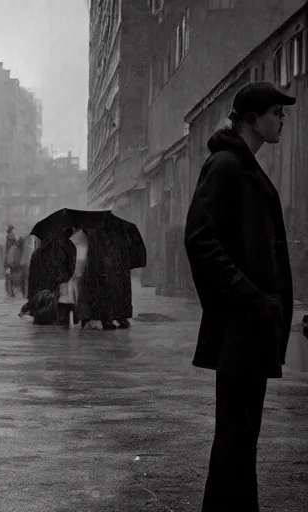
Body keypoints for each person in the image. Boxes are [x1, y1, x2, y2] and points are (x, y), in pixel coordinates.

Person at [184, 81, 295, 511]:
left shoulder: (245, 168)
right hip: (240, 328)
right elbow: (200, 241)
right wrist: (250, 298)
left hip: (252, 327)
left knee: (240, 440)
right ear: (251, 119)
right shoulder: (227, 166)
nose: (282, 119)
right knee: (236, 437)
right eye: (275, 112)